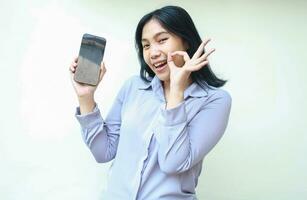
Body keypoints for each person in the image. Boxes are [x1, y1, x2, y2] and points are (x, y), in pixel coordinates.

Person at [70, 5, 231, 200]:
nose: (152, 53)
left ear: (186, 41)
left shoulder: (214, 100)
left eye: (162, 40)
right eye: (146, 45)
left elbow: (172, 162)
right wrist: (85, 97)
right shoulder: (133, 87)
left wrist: (176, 91)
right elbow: (103, 152)